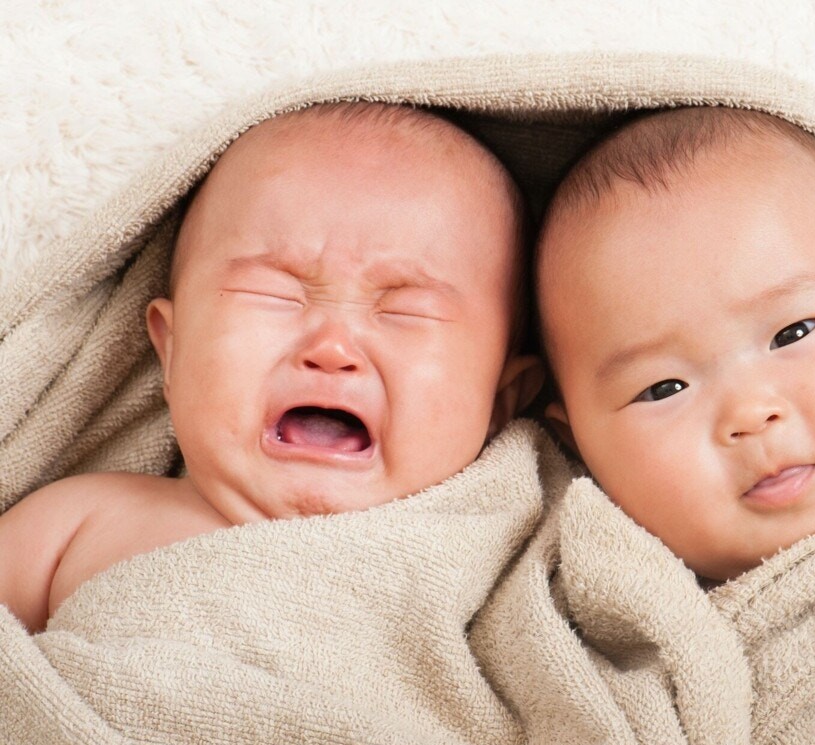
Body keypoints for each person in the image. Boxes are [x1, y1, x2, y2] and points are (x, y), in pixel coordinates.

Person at [0, 102, 541, 632]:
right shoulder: (81, 522)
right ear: (172, 350)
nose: (332, 348)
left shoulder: (507, 561)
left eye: (405, 311)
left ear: (499, 400)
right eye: (274, 294)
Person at [536, 106, 815, 582]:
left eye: (794, 333)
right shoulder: (595, 628)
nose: (749, 414)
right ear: (581, 450)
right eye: (665, 388)